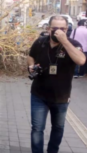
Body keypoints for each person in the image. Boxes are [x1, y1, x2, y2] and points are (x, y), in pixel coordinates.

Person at [27, 16, 86, 153]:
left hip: (61, 97)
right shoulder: (40, 42)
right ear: (48, 29)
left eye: (63, 29)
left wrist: (64, 41)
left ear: (67, 29)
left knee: (58, 128)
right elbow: (30, 57)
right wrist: (31, 66)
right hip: (38, 95)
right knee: (37, 128)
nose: (59, 31)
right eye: (55, 28)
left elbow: (81, 60)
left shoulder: (73, 44)